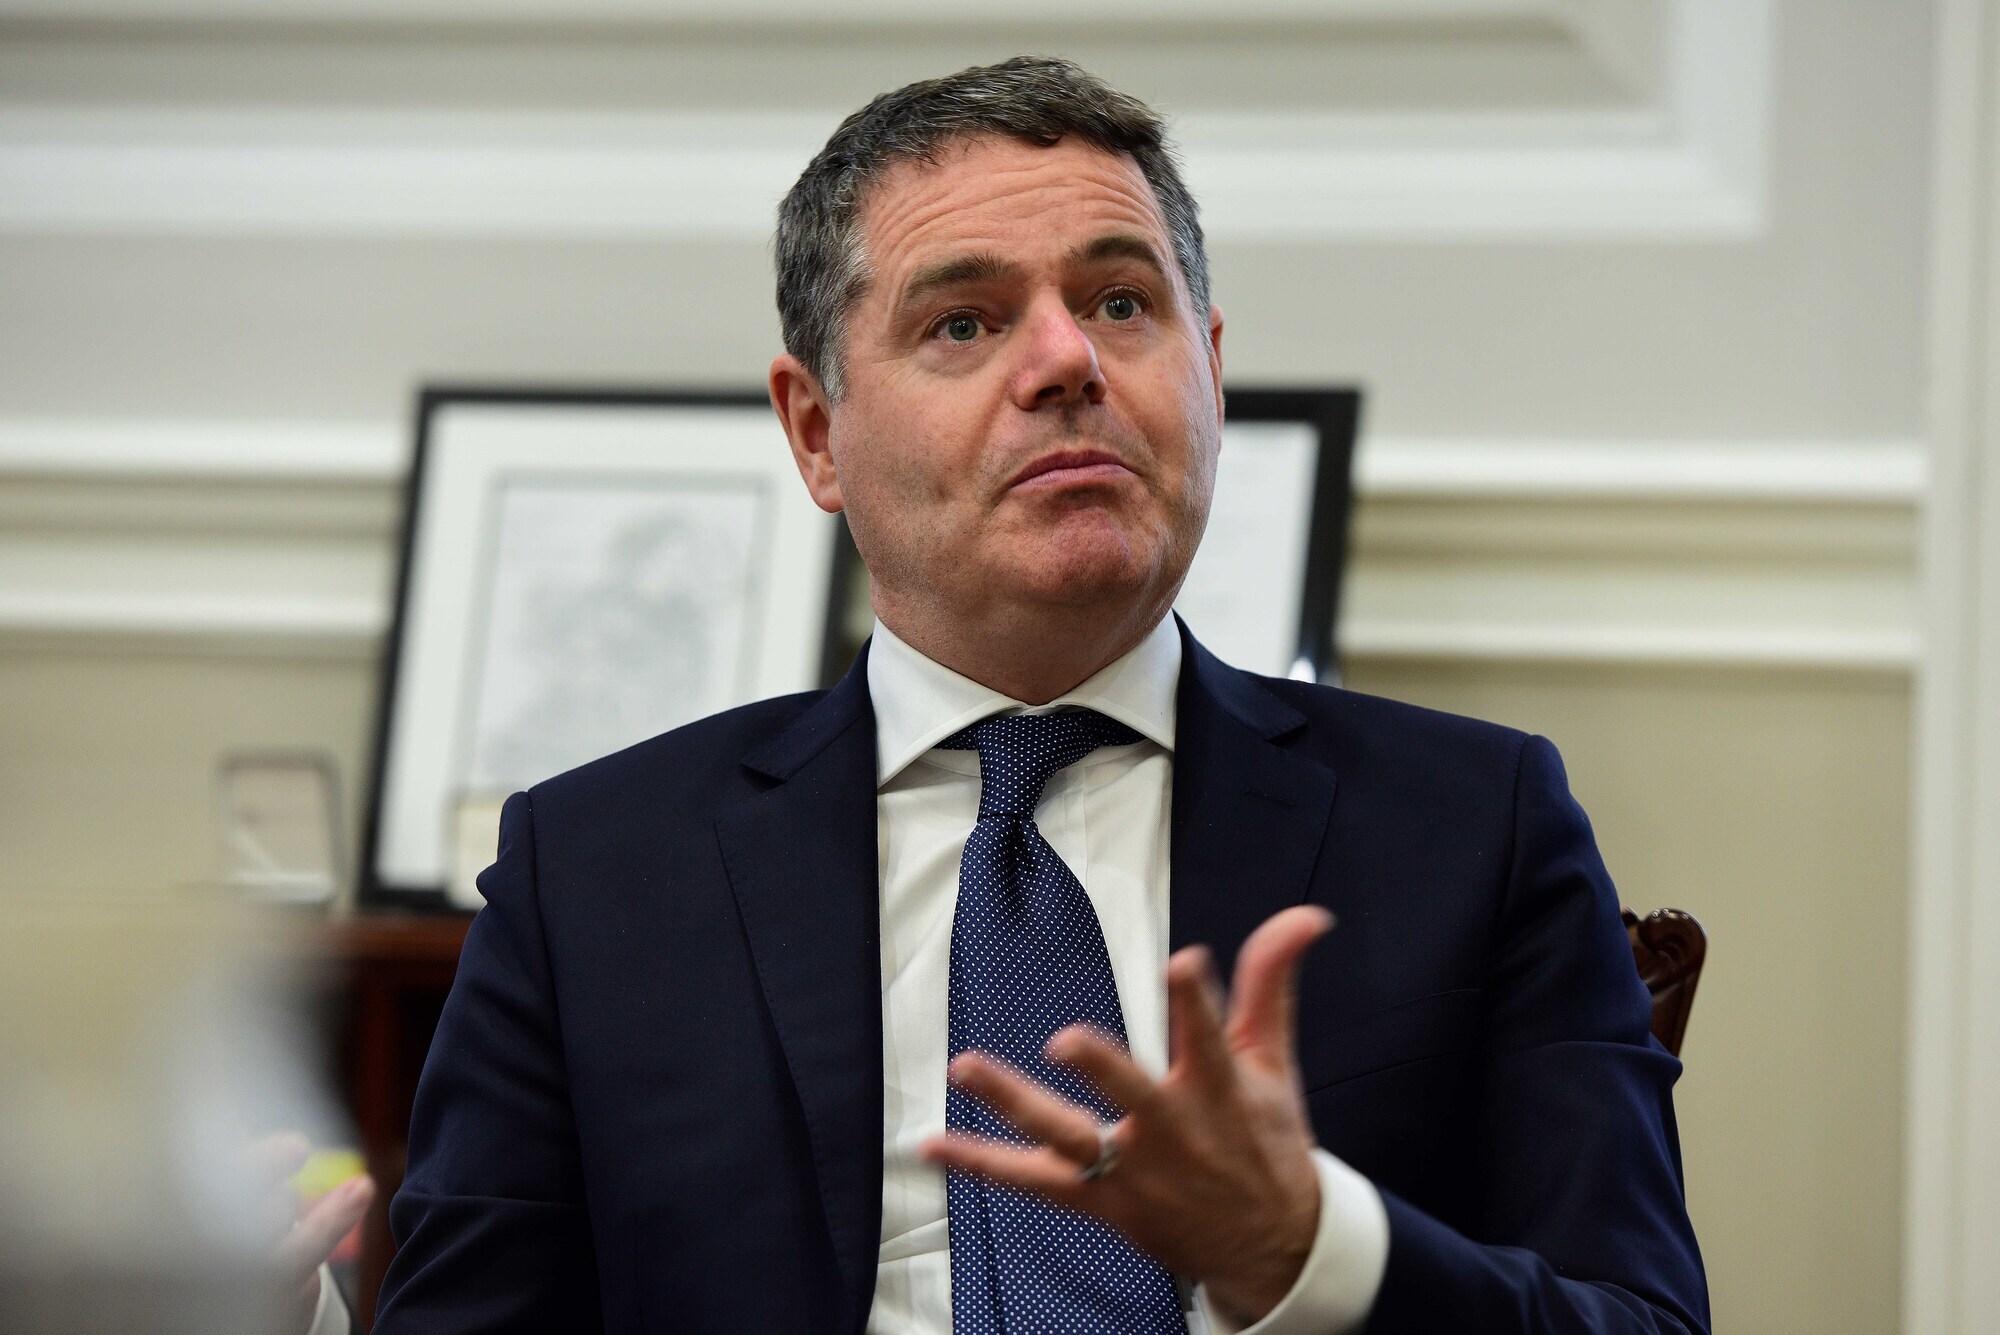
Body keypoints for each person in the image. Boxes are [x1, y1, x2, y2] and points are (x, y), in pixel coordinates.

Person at [355, 56, 1707, 1334]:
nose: (1069, 360)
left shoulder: (1473, 824)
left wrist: (1310, 1251)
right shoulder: (596, 874)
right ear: (816, 431)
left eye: (1122, 303)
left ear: (1210, 371)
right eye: (965, 322)